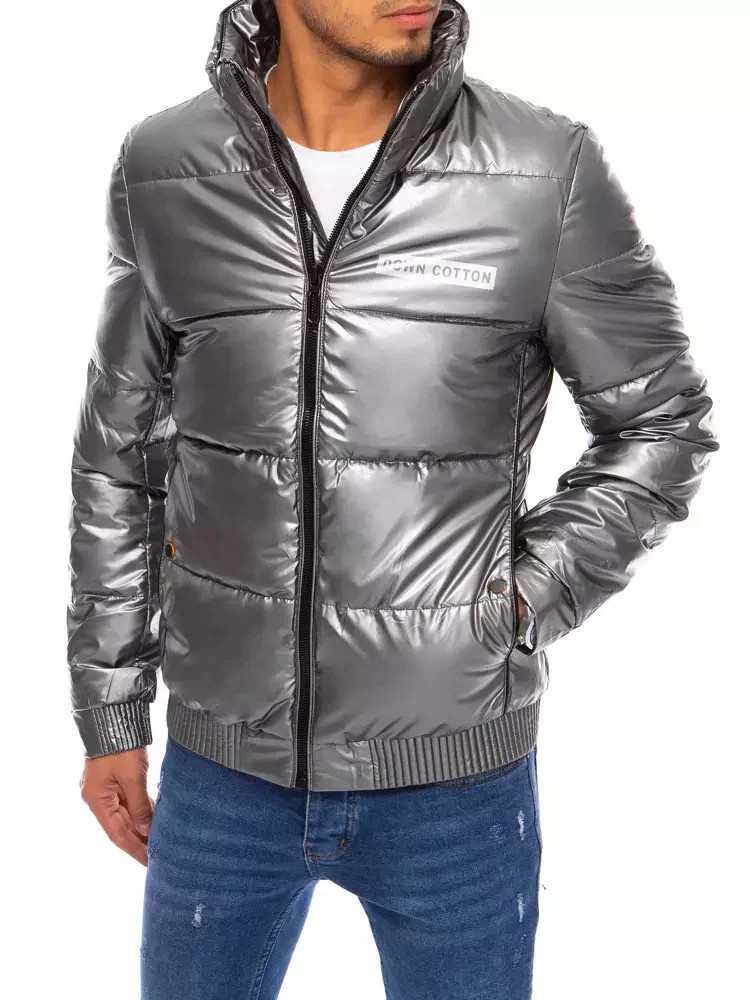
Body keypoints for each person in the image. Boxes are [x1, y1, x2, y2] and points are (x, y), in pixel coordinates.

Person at [66, 1, 719, 997]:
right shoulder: (164, 167)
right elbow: (119, 457)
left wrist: (512, 604)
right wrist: (111, 712)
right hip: (221, 775)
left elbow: (662, 424)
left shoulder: (543, 169)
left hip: (455, 785)